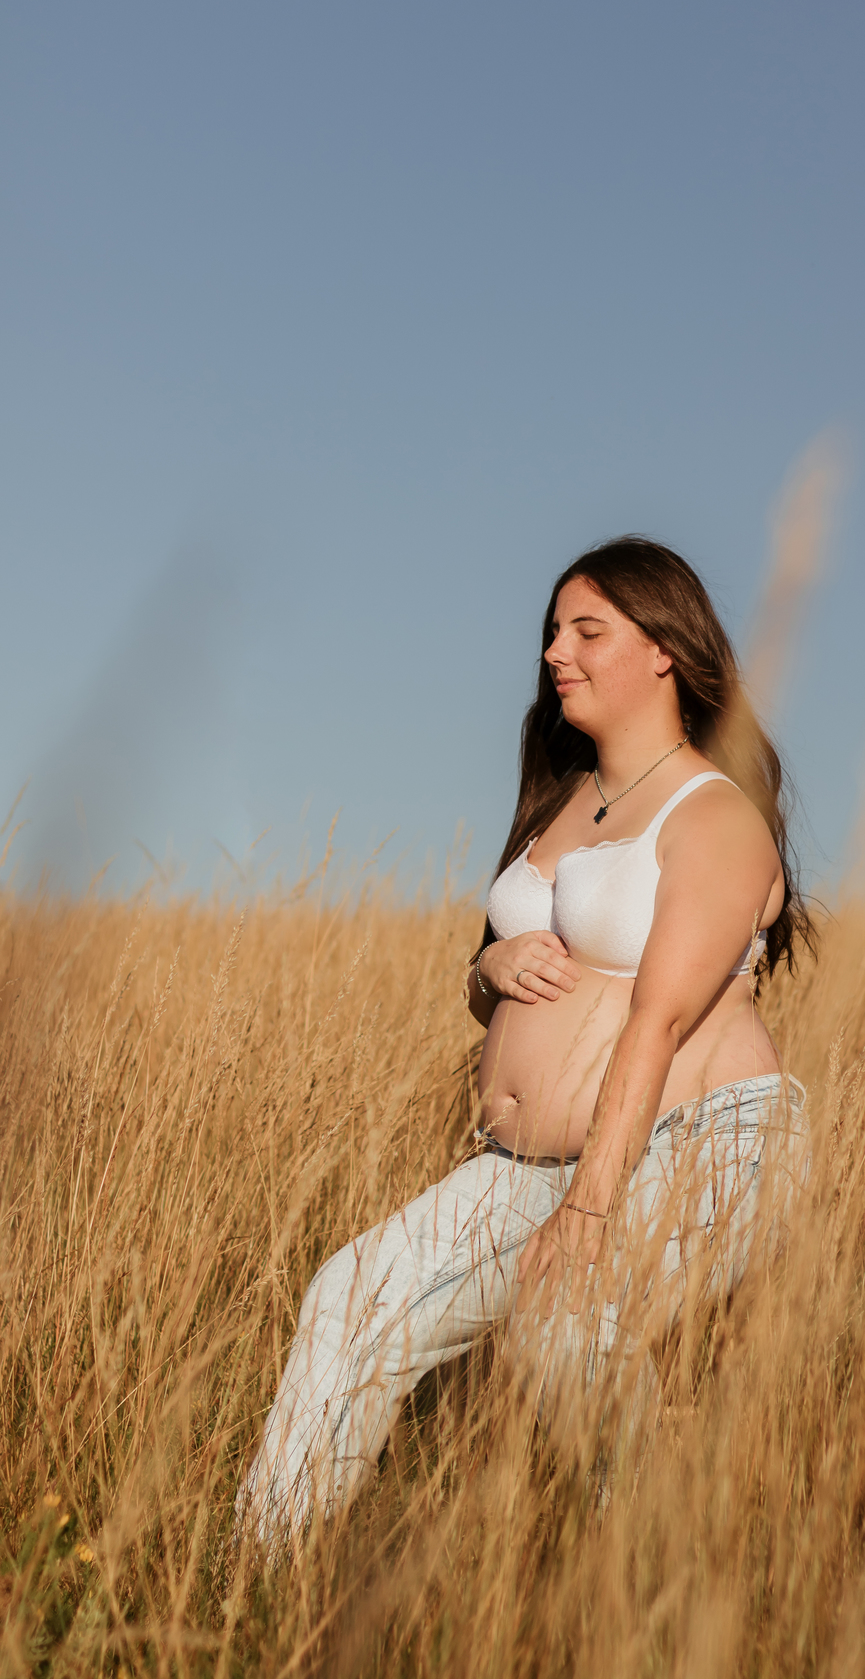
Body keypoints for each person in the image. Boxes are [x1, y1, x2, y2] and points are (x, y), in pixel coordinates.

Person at [238, 536, 816, 1546]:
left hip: (696, 1148)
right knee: (349, 1297)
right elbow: (506, 984)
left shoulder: (716, 817)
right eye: (553, 631)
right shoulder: (564, 802)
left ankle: (646, 1591)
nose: (556, 652)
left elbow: (659, 1018)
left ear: (665, 652)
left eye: (588, 631)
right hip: (522, 1163)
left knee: (568, 1327)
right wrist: (487, 972)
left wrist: (590, 1211)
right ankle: (256, 1581)